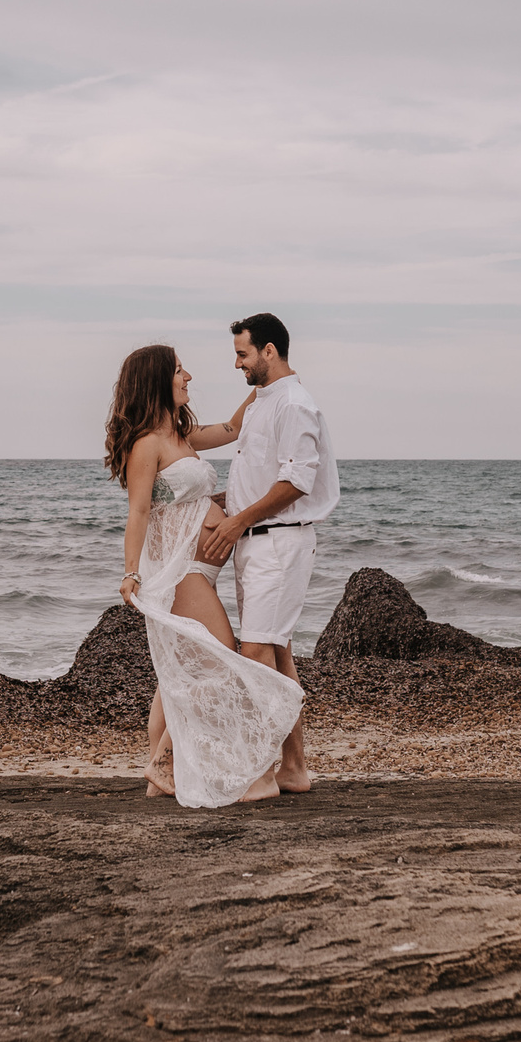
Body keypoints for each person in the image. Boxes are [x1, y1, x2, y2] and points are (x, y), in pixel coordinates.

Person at [105, 344, 304, 807]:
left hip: (202, 572)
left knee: (172, 678)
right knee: (219, 662)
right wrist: (130, 573)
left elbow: (233, 429)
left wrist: (271, 387)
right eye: (179, 371)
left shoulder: (182, 434)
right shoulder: (146, 445)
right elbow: (138, 512)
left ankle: (160, 773)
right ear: (157, 380)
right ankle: (169, 762)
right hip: (180, 572)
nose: (188, 376)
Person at [196, 311, 336, 793]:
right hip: (259, 540)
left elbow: (297, 481)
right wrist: (223, 504)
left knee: (255, 651)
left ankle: (260, 772)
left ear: (269, 351)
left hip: (278, 542)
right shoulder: (262, 398)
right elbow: (254, 465)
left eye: (242, 354)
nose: (237, 364)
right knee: (274, 649)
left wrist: (237, 520)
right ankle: (293, 768)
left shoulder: (294, 403)